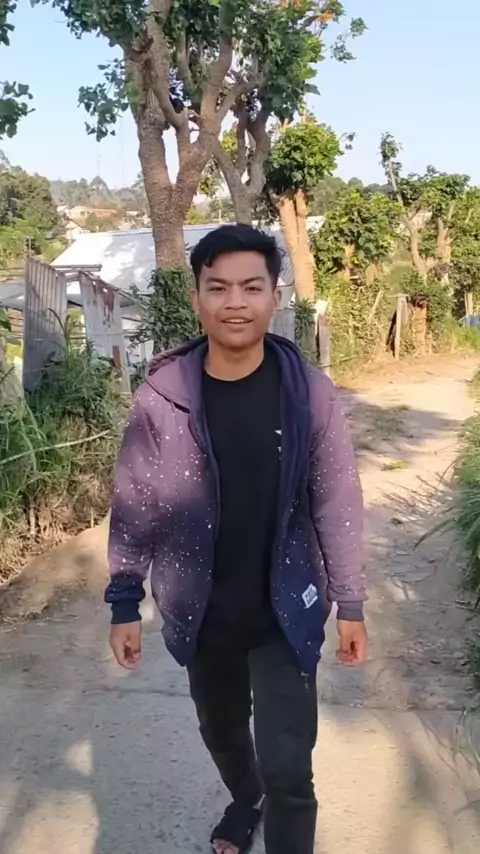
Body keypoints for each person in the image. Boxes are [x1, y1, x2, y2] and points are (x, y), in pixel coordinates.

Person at [105, 223, 367, 854]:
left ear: (276, 296)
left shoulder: (310, 395)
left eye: (252, 287)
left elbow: (336, 499)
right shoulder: (163, 398)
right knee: (222, 735)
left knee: (289, 768)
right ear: (197, 297)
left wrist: (351, 602)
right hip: (202, 613)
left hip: (285, 610)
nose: (235, 302)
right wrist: (124, 600)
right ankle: (245, 799)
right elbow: (137, 499)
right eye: (218, 287)